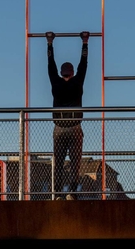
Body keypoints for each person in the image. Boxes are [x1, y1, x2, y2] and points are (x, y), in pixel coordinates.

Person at [46, 31, 90, 200]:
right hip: (75, 127)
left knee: (58, 162)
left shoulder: (56, 83)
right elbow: (84, 64)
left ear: (61, 72)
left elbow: (50, 65)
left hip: (59, 128)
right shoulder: (77, 82)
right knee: (75, 162)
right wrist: (85, 42)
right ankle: (72, 192)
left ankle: (57, 193)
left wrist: (49, 43)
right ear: (71, 73)